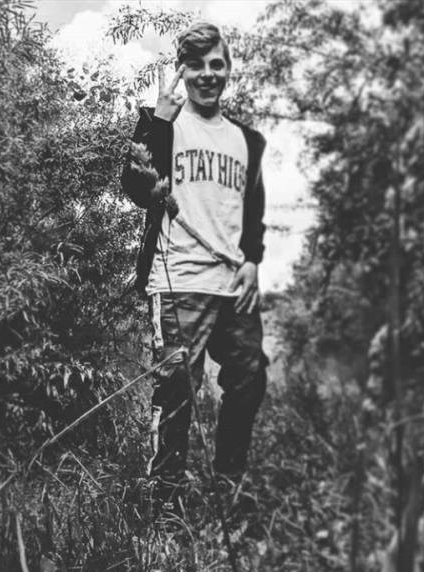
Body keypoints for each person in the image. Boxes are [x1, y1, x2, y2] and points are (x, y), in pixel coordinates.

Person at [121, 22, 268, 497]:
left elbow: (253, 210)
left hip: (232, 284)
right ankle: (165, 506)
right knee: (176, 390)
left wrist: (252, 260)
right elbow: (137, 189)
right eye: (197, 65)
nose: (208, 74)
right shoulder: (163, 123)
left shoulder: (247, 141)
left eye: (216, 64)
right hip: (178, 279)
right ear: (182, 71)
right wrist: (158, 123)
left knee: (249, 378)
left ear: (227, 70)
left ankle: (228, 487)